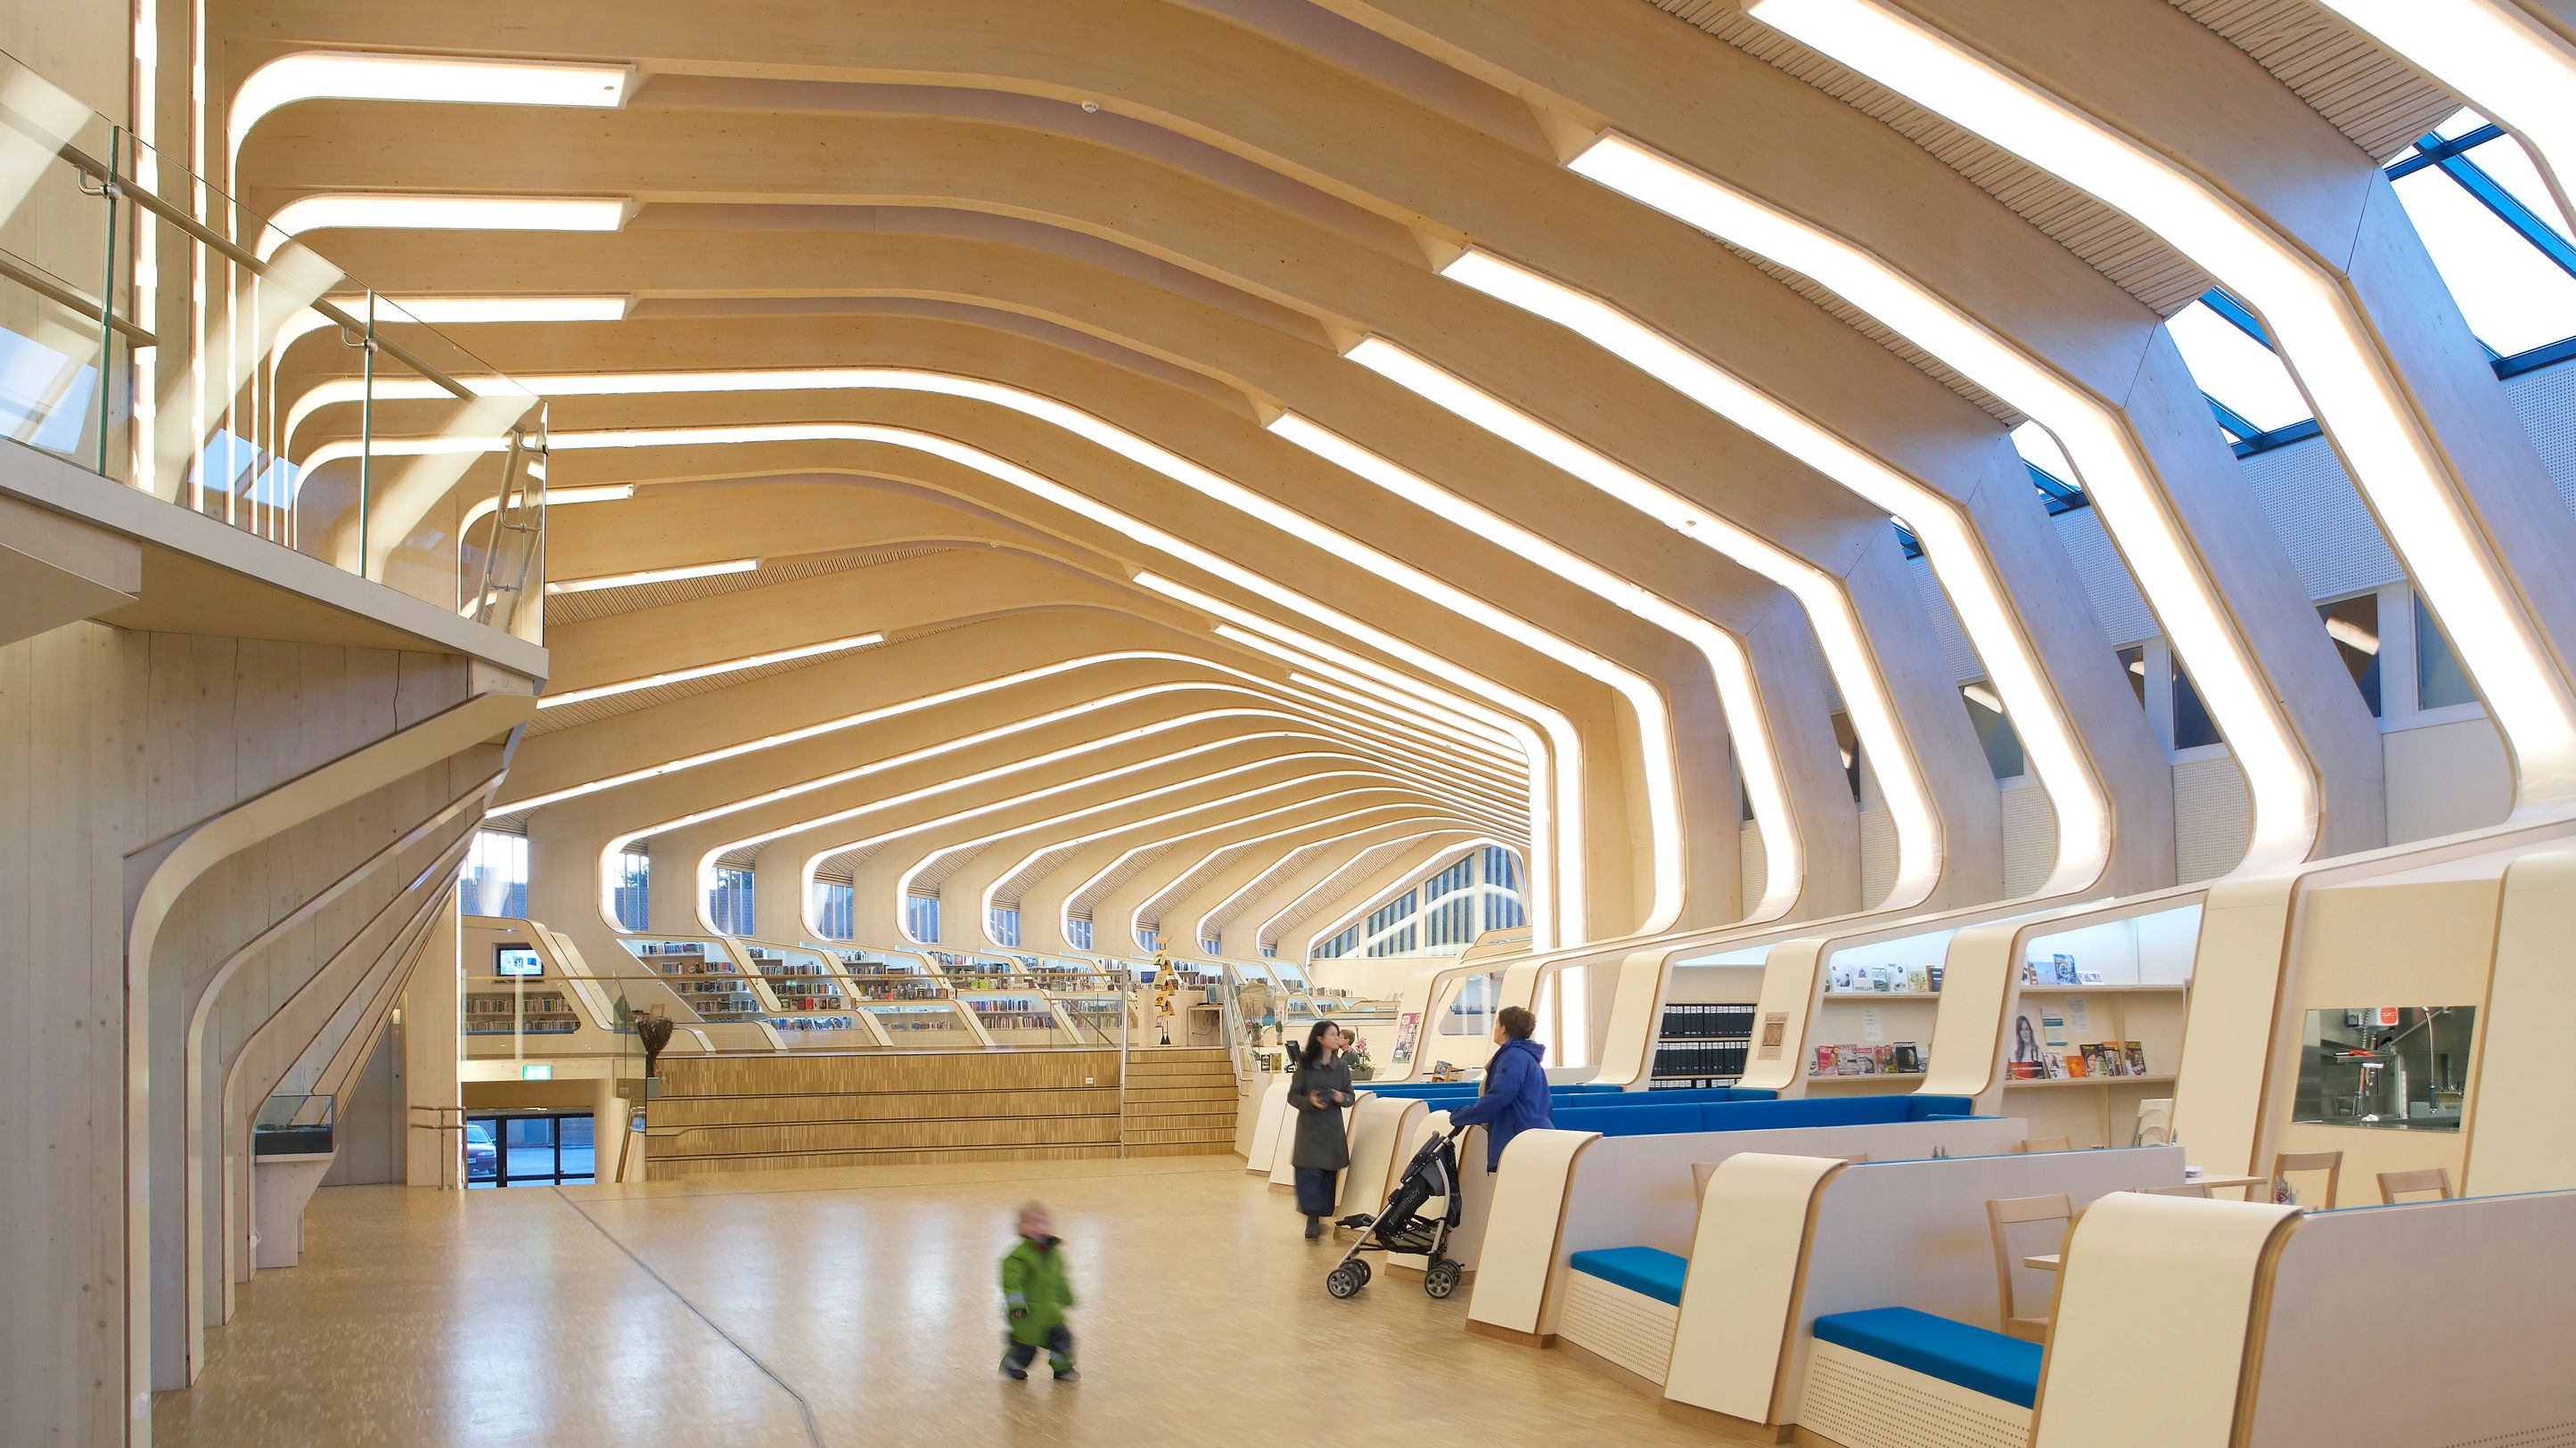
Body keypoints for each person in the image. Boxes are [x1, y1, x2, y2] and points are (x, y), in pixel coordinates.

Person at [1444, 1005, 1551, 1174]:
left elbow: (1500, 1096)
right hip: (1527, 1132)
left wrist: (1462, 1115)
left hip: (1519, 1137)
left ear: (1504, 1028)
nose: (1494, 1028)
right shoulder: (1524, 1056)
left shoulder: (1514, 1057)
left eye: (1496, 1024)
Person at [1285, 1019, 1357, 1239]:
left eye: (1338, 1034)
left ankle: (1318, 1214)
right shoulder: (1305, 1065)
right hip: (1310, 1128)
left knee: (1327, 1174)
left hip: (1331, 1128)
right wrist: (1310, 1101)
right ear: (1320, 1039)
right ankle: (1312, 1218)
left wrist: (1339, 1096)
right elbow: (1293, 1096)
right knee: (1309, 1173)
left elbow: (1350, 1096)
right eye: (1332, 1034)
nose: (1337, 1038)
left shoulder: (1341, 1067)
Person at [999, 1201, 1078, 1382]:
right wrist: (1016, 1304)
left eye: (1043, 1222)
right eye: (1031, 1223)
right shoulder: (1018, 1256)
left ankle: (1062, 1368)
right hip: (1027, 1314)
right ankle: (1012, 1364)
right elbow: (1012, 1283)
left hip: (1051, 1311)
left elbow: (1058, 1278)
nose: (1038, 1227)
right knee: (1026, 1347)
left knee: (1063, 1340)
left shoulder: (1055, 1254)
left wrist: (1066, 1296)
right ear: (1020, 1228)